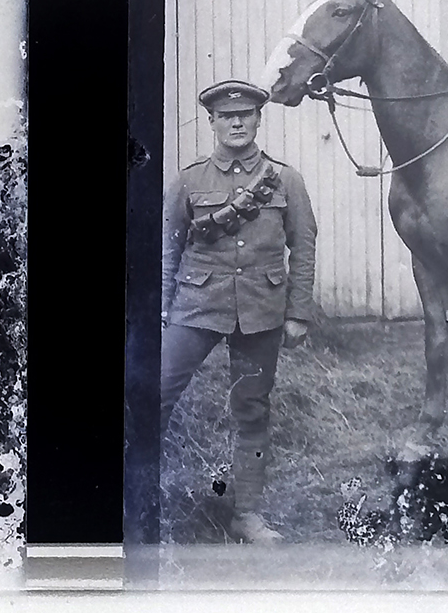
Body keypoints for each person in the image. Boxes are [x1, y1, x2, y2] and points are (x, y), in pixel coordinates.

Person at [158, 79, 316, 545]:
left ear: (257, 120)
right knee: (153, 396)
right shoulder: (189, 180)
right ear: (211, 123)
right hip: (196, 304)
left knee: (251, 409)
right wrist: (159, 312)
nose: (236, 122)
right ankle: (142, 499)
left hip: (262, 309)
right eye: (226, 116)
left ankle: (246, 515)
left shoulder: (285, 179)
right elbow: (168, 248)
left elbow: (302, 246)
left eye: (244, 115)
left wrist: (298, 312)